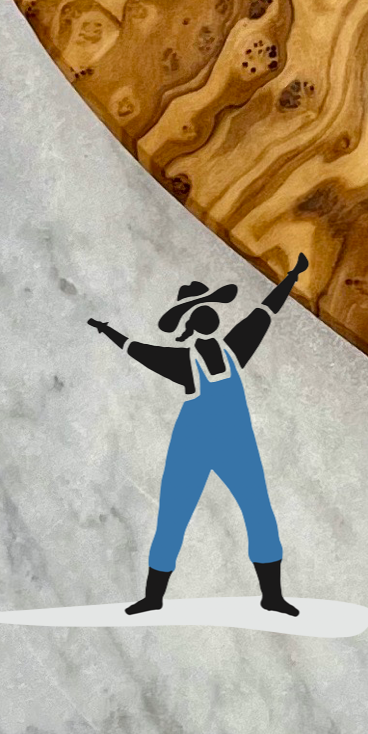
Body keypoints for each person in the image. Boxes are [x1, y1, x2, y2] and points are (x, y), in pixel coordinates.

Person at [89, 254, 308, 616]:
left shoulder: (236, 347)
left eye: (207, 307)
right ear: (188, 326)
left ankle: (272, 596)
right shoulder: (181, 361)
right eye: (197, 311)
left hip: (237, 447)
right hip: (191, 449)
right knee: (173, 518)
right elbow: (135, 350)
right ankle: (153, 597)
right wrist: (106, 329)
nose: (205, 313)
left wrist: (292, 276)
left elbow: (266, 310)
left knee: (260, 515)